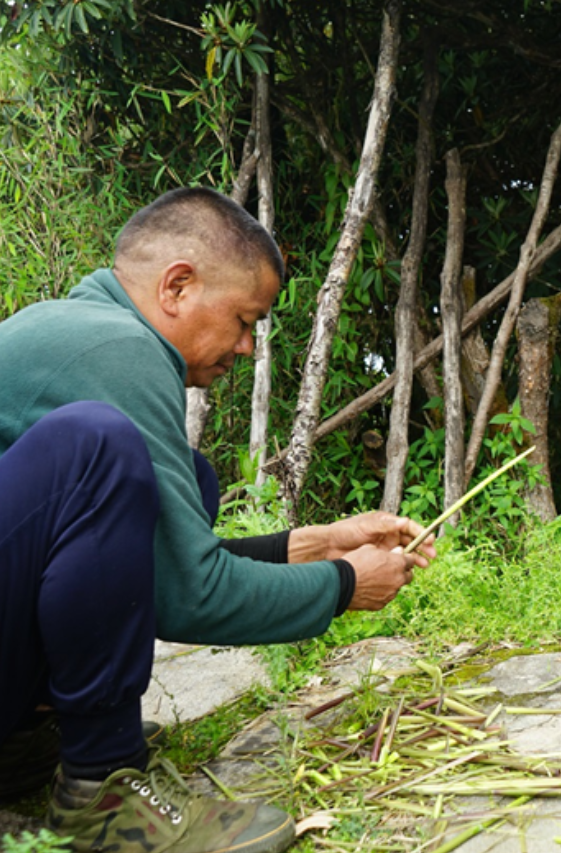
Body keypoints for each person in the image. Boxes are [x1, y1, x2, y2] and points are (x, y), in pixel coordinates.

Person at [0, 187, 438, 853]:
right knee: (98, 447)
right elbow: (188, 595)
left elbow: (150, 568)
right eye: (243, 320)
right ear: (178, 286)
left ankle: (23, 737)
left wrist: (318, 544)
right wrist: (346, 584)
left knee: (182, 481)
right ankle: (102, 785)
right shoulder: (117, 350)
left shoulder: (79, 331)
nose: (244, 347)